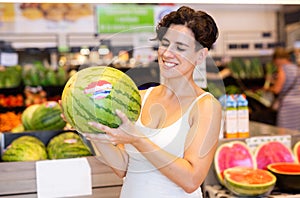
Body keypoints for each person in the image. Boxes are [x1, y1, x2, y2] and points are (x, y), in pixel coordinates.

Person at [84, 6, 222, 198]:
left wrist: (138, 140)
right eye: (165, 43)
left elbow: (191, 180)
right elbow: (122, 168)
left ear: (200, 55)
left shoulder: (205, 106)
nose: (167, 54)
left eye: (180, 48)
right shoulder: (140, 97)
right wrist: (88, 127)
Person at [267, 47, 300, 130]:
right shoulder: (296, 69)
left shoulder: (283, 69)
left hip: (288, 107)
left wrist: (268, 89)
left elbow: (277, 89)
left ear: (277, 59)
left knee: (285, 132)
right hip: (298, 104)